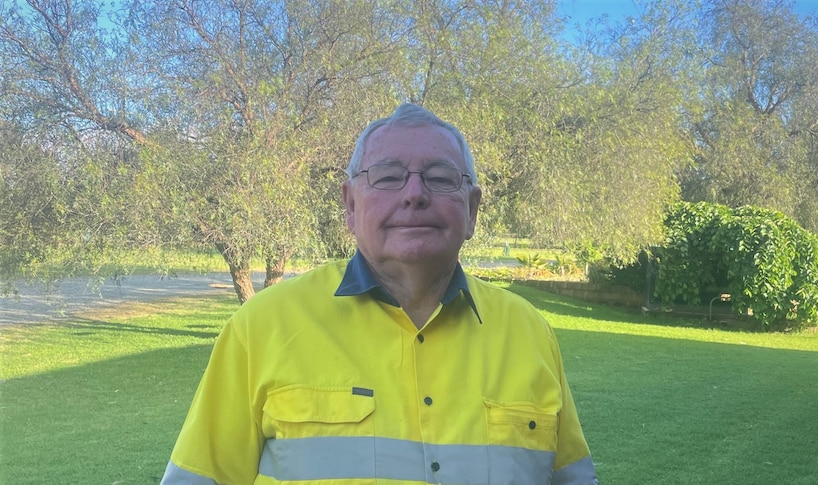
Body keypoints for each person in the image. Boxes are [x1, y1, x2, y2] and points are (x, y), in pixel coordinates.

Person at [161, 103, 598, 484]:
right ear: (350, 207)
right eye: (388, 176)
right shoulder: (261, 327)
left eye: (440, 177)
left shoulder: (529, 333)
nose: (414, 194)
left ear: (473, 210)